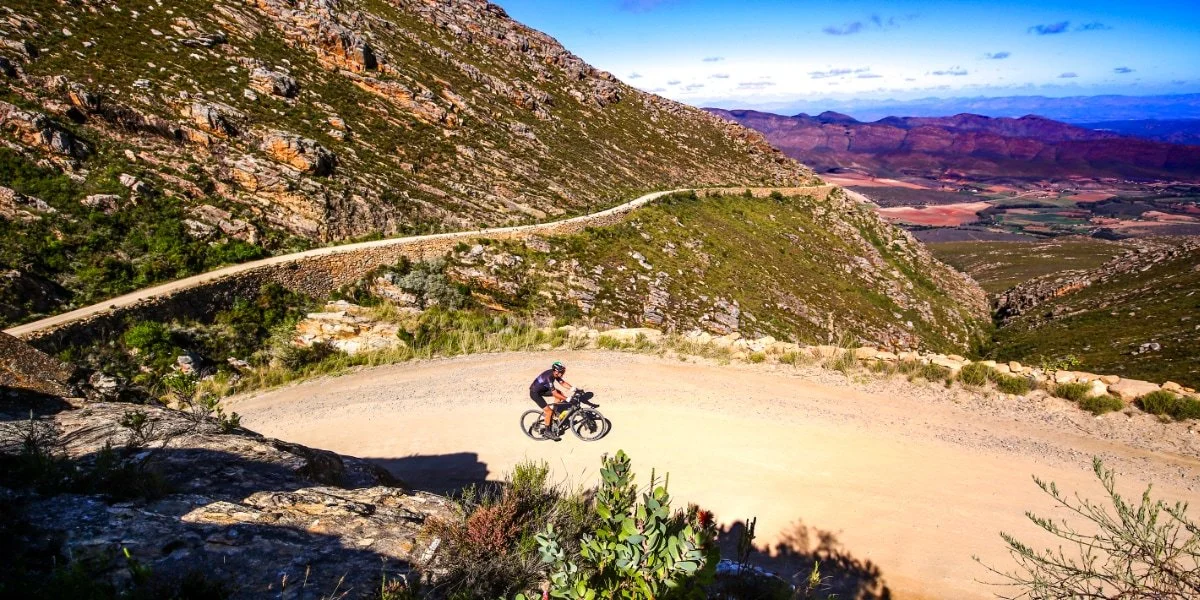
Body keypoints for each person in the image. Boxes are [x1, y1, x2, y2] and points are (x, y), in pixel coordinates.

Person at [529, 361, 573, 440]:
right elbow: (555, 394)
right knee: (548, 411)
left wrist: (573, 389)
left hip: (542, 390)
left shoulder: (555, 374)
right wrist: (567, 398)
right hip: (535, 393)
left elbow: (562, 383)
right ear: (556, 371)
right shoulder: (549, 377)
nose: (563, 373)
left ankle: (554, 415)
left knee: (560, 393)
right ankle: (547, 432)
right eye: (561, 372)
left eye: (563, 371)